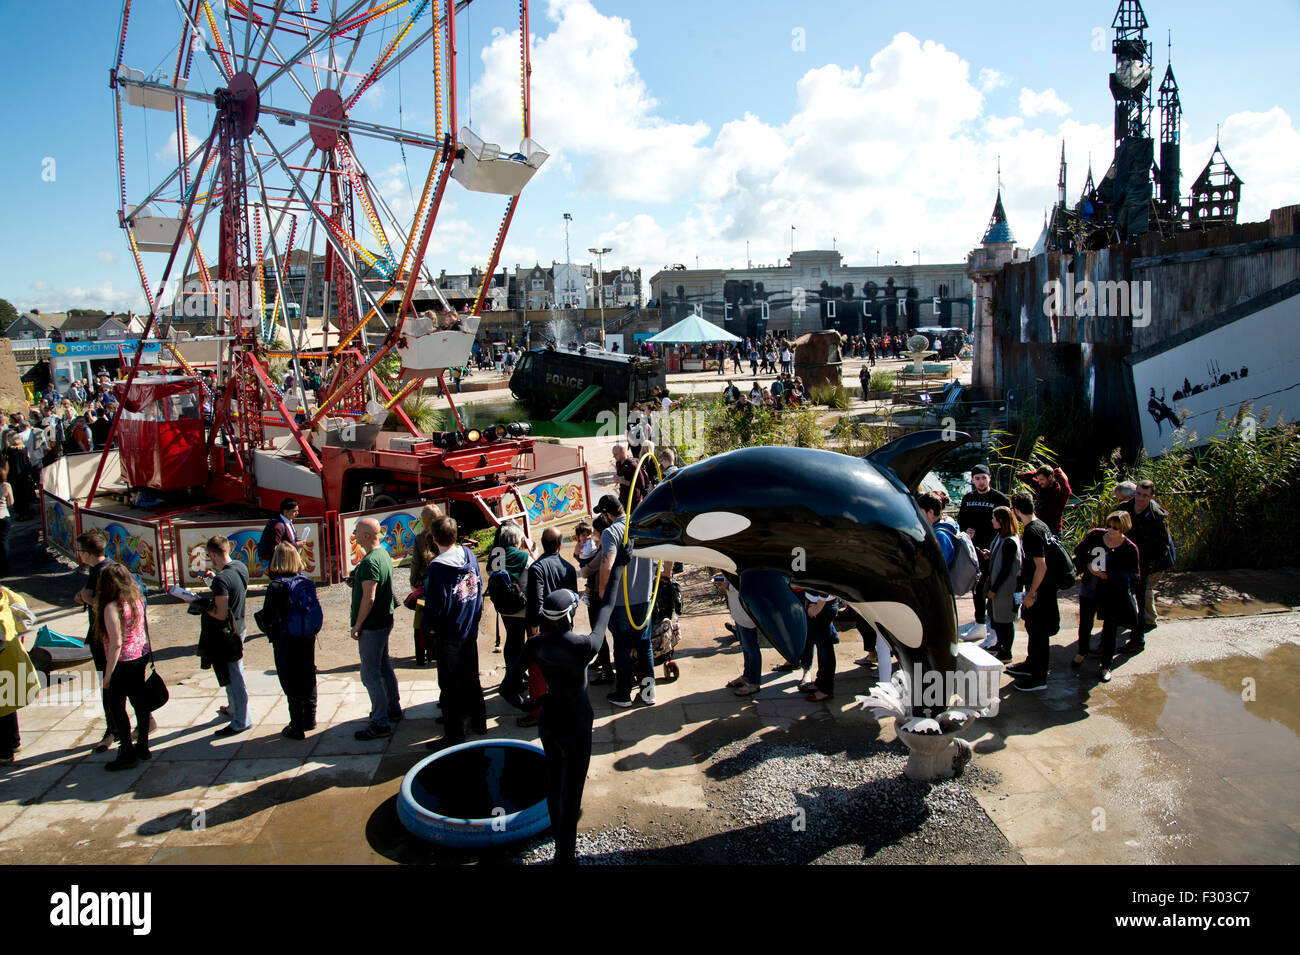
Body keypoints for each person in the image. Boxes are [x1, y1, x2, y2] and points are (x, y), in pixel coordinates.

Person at [499, 587, 616, 865]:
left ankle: (558, 840)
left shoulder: (535, 645)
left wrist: (530, 705)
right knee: (573, 789)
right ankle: (565, 855)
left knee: (554, 781)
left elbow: (507, 689)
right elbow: (607, 606)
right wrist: (619, 567)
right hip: (576, 720)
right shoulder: (583, 646)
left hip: (549, 719)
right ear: (570, 614)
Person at [422, 515, 487, 748]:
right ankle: (479, 721)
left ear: (434, 538)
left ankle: (454, 733)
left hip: (449, 632)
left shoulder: (438, 567)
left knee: (449, 686)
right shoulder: (468, 555)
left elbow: (437, 603)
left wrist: (429, 626)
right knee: (471, 677)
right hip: (469, 626)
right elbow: (477, 587)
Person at [595, 494, 656, 707]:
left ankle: (623, 693)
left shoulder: (610, 532)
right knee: (644, 644)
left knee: (621, 645)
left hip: (621, 600)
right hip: (644, 596)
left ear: (606, 514)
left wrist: (603, 590)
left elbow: (607, 564)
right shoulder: (640, 523)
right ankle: (649, 693)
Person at [1071, 512, 1141, 682]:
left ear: (1123, 528)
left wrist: (1108, 575)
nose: (1110, 530)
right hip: (1089, 587)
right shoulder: (1096, 535)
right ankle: (1082, 652)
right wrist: (1088, 564)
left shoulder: (1130, 548)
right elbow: (1079, 551)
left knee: (1110, 630)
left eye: (1115, 528)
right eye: (1109, 526)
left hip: (1112, 593)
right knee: (1085, 623)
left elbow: (1134, 576)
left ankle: (1106, 665)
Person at [349, 517, 401, 740]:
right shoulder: (383, 555)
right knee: (384, 665)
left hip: (372, 625)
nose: (355, 535)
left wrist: (358, 624)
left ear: (368, 536)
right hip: (384, 620)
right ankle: (393, 707)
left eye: (358, 532)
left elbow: (369, 598)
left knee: (370, 674)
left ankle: (380, 722)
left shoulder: (370, 561)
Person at [96, 562, 152, 770]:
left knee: (118, 708)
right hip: (140, 655)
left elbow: (116, 642)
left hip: (123, 662)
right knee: (140, 703)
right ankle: (144, 746)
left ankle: (127, 752)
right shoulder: (136, 599)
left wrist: (108, 675)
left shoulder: (112, 607)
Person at [260, 543, 320, 739]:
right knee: (308, 673)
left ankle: (296, 725)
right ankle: (310, 718)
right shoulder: (305, 581)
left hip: (286, 639)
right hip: (307, 636)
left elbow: (268, 617)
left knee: (291, 680)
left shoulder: (276, 586)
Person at [522, 527, 577, 727]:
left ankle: (538, 711)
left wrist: (533, 628)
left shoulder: (537, 568)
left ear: (542, 544)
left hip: (544, 628)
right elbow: (573, 598)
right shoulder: (569, 568)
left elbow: (535, 600)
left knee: (537, 673)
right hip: (564, 627)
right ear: (561, 545)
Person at [1006, 492, 1060, 691]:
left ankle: (1039, 677)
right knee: (1032, 629)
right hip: (1042, 589)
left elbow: (1042, 566)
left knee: (1039, 633)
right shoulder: (1042, 525)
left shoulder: (1031, 532)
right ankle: (1031, 664)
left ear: (1017, 511)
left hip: (1040, 592)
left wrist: (1030, 594)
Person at [198, 536, 251, 736]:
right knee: (234, 671)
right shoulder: (239, 567)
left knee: (234, 675)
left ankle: (241, 720)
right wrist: (215, 579)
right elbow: (235, 588)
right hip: (240, 624)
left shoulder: (221, 579)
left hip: (228, 632)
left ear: (212, 554)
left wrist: (203, 607)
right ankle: (233, 708)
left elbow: (220, 613)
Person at [957, 464, 1009, 643]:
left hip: (994, 551)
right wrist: (966, 531)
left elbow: (1008, 526)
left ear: (989, 479)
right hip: (973, 551)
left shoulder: (999, 498)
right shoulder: (967, 498)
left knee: (993, 588)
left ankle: (993, 626)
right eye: (977, 478)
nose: (980, 481)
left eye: (983, 478)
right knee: (977, 588)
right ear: (972, 480)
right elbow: (961, 521)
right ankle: (980, 623)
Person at [1119, 480, 1169, 649]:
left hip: (1142, 567)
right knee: (1120, 601)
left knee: (1140, 604)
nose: (1140, 498)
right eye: (1139, 494)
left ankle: (1137, 640)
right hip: (1123, 564)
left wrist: (1148, 567)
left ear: (1151, 497)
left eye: (1145, 495)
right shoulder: (1124, 510)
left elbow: (1163, 546)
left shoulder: (1157, 516)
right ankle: (1108, 640)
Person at [492, 521, 534, 718]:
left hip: (503, 607)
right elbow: (534, 573)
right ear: (516, 539)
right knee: (522, 644)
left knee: (512, 641)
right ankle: (516, 679)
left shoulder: (495, 555)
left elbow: (492, 575)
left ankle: (513, 674)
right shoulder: (523, 556)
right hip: (521, 607)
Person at [982, 506, 1022, 662]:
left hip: (1006, 589)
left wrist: (994, 589)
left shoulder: (1009, 541)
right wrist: (990, 555)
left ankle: (1007, 651)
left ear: (1001, 521)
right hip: (1000, 586)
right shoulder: (1001, 537)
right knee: (995, 617)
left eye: (994, 518)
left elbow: (1006, 569)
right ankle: (1000, 644)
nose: (992, 521)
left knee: (1005, 621)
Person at [408, 503, 444, 667]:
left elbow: (415, 563)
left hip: (424, 585)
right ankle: (437, 651)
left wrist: (413, 582)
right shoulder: (444, 535)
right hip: (441, 582)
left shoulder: (419, 538)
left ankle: (421, 653)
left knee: (420, 619)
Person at [715, 574, 762, 696]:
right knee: (746, 646)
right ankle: (747, 675)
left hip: (745, 611)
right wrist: (723, 578)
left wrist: (728, 585)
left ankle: (754, 683)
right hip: (738, 610)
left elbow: (750, 582)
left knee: (751, 647)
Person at [801, 590, 838, 702]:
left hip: (822, 606)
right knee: (822, 647)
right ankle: (821, 683)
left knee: (825, 649)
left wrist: (818, 607)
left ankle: (826, 689)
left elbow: (824, 584)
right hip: (818, 603)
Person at [1017, 464, 1072, 535]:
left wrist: (1057, 473)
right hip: (1039, 528)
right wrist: (1037, 473)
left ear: (1050, 477)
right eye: (1038, 479)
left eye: (1042, 479)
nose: (1039, 482)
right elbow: (1021, 476)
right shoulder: (1040, 487)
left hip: (1053, 531)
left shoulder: (1059, 492)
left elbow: (1067, 490)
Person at [0, 463, 11, 578]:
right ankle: (5, 568)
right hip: (4, 515)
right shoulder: (6, 486)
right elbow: (11, 502)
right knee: (4, 542)